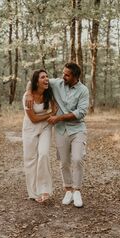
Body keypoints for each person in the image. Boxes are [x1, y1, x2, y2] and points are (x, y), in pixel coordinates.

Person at [26, 62, 89, 208]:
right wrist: (29, 93)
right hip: (61, 130)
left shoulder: (83, 90)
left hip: (77, 129)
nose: (63, 76)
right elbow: (34, 80)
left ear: (75, 76)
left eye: (67, 74)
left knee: (78, 158)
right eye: (63, 73)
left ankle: (77, 191)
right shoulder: (57, 83)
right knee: (64, 161)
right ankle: (68, 190)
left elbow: (81, 112)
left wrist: (58, 118)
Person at [22, 69, 57, 203]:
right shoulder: (27, 97)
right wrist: (50, 114)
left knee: (43, 154)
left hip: (45, 127)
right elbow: (34, 119)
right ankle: (33, 192)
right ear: (36, 81)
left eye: (47, 76)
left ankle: (44, 189)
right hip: (30, 128)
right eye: (43, 77)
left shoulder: (50, 91)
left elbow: (55, 109)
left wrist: (53, 113)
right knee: (30, 159)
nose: (46, 79)